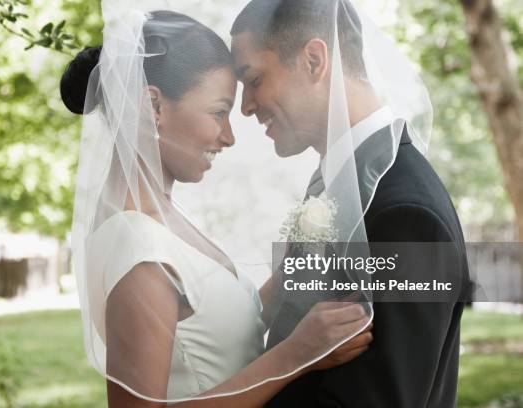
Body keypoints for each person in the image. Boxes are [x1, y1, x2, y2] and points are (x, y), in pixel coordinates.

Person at [62, 6, 372, 407]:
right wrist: (295, 356)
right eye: (218, 113)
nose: (228, 137)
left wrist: (291, 271)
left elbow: (209, 331)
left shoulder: (160, 221)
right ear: (153, 106)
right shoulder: (138, 249)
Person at [231, 0, 470, 407]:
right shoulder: (340, 186)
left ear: (313, 60)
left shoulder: (405, 215)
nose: (246, 105)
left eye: (253, 79)